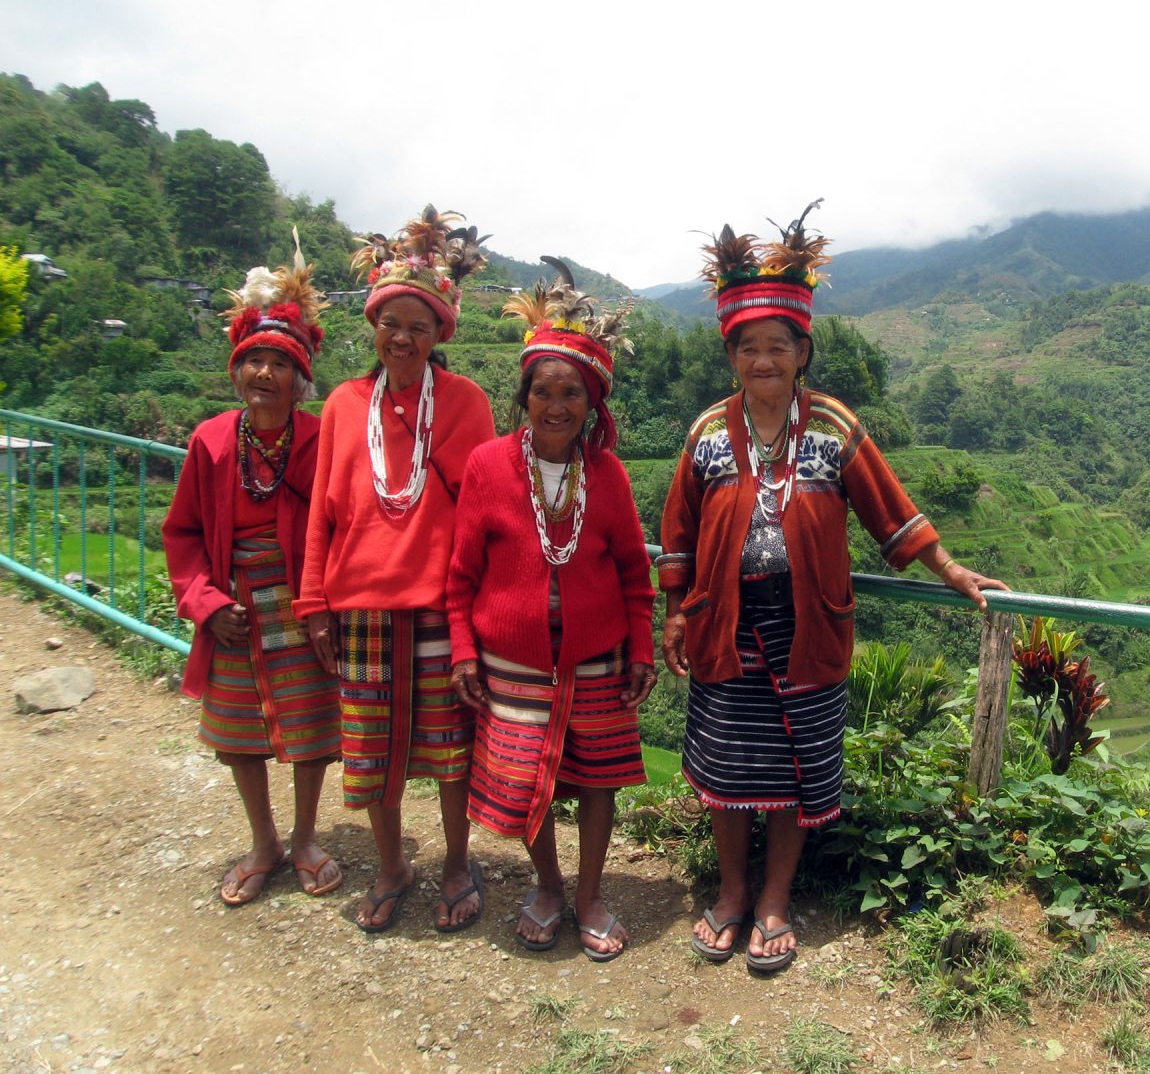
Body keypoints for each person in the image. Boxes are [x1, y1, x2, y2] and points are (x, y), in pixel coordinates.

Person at [659, 201, 1008, 973]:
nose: (763, 360)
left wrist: (949, 568)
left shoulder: (833, 427)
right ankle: (732, 893)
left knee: (793, 770)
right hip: (725, 624)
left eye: (777, 346)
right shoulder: (708, 433)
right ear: (731, 356)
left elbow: (889, 508)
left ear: (802, 353)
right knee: (728, 768)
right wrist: (676, 615)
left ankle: (775, 901)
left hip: (808, 626)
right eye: (748, 347)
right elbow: (678, 529)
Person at [294, 205, 496, 933]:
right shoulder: (344, 405)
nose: (402, 337)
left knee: (450, 750)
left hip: (441, 607)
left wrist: (479, 616)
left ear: (440, 332)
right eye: (390, 323)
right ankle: (391, 866)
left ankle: (456, 864)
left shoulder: (467, 403)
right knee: (371, 750)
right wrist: (313, 604)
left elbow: (484, 516)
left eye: (418, 325)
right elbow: (322, 512)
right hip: (360, 607)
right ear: (373, 327)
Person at [447, 263, 656, 961]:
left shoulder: (609, 474)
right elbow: (460, 577)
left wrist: (641, 648)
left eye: (572, 393)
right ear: (524, 397)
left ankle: (590, 895)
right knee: (524, 775)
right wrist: (464, 651)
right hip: (514, 661)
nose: (556, 405)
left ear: (592, 404)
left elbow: (634, 574)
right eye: (543, 391)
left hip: (597, 658)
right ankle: (547, 885)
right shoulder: (487, 467)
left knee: (596, 779)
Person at [163, 233, 343, 905]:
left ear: (301, 378)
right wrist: (205, 603)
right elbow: (183, 533)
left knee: (311, 727)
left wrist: (321, 602)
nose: (265, 374)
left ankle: (305, 837)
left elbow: (341, 526)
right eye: (253, 361)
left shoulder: (323, 439)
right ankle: (264, 841)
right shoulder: (211, 442)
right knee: (240, 734)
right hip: (233, 608)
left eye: (279, 363)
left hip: (303, 603)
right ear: (237, 372)